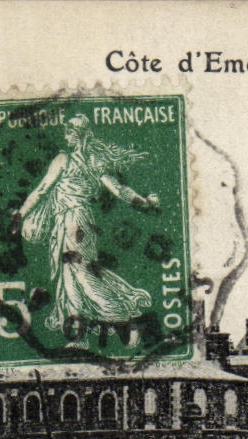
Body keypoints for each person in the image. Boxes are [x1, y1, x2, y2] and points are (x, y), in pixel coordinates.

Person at [10, 114, 158, 336]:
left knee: (78, 272)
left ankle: (118, 315)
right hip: (83, 223)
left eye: (69, 132)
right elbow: (119, 190)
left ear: (77, 135)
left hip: (71, 222)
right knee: (72, 273)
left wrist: (20, 214)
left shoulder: (63, 159)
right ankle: (77, 330)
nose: (66, 136)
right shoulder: (95, 162)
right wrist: (143, 202)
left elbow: (42, 190)